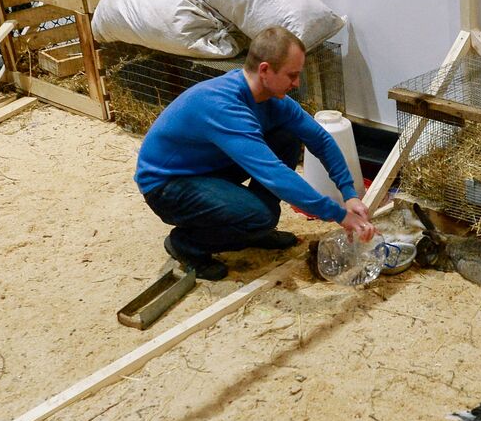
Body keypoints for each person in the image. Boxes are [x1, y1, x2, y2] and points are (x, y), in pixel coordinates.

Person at [135, 27, 376, 281]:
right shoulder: (225, 106)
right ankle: (187, 244)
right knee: (258, 216)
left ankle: (258, 229)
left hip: (208, 166)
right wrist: (339, 214)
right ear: (264, 70)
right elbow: (274, 174)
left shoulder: (273, 99)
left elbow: (321, 140)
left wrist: (348, 194)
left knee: (286, 135)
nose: (296, 83)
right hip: (167, 186)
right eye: (291, 75)